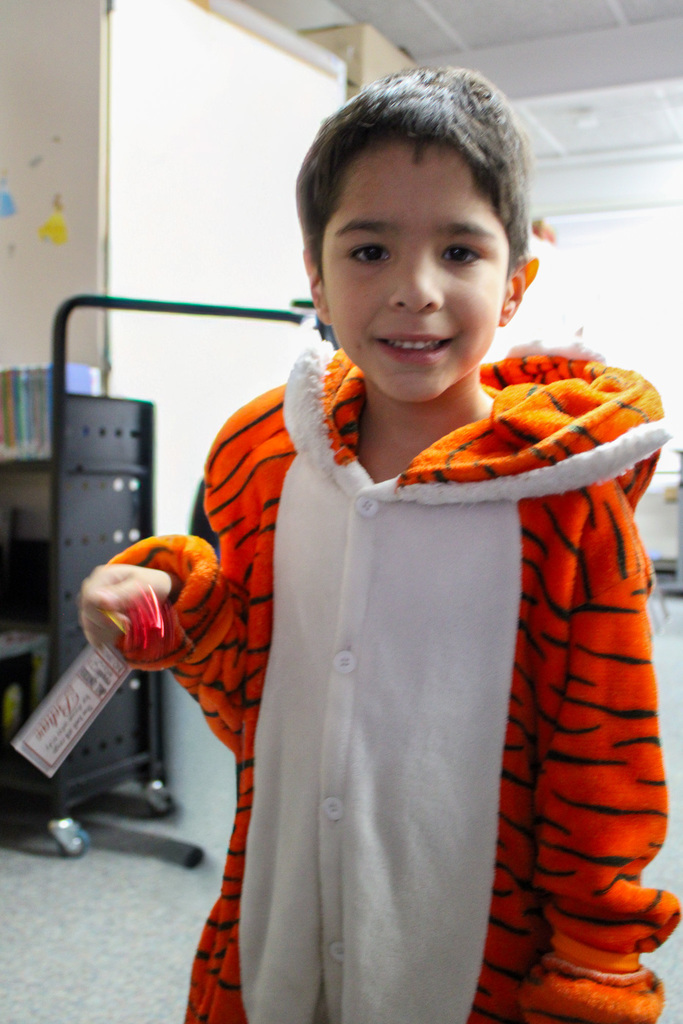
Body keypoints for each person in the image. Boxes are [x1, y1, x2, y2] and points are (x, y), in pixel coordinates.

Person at [79, 66, 680, 1024]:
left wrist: (594, 968)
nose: (415, 290)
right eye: (368, 249)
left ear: (515, 284)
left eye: (459, 249)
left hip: (463, 964)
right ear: (314, 274)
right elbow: (253, 702)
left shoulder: (568, 507)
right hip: (276, 934)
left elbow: (603, 764)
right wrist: (165, 612)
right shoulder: (260, 460)